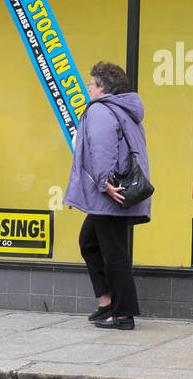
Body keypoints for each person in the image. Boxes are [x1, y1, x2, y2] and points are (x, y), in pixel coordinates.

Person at [64, 61, 152, 330]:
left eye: (91, 83)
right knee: (90, 242)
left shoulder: (101, 111)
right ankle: (107, 303)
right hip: (118, 191)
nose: (88, 87)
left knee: (113, 253)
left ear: (102, 87)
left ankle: (123, 314)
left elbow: (103, 149)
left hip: (109, 193)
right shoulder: (125, 110)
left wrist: (104, 182)